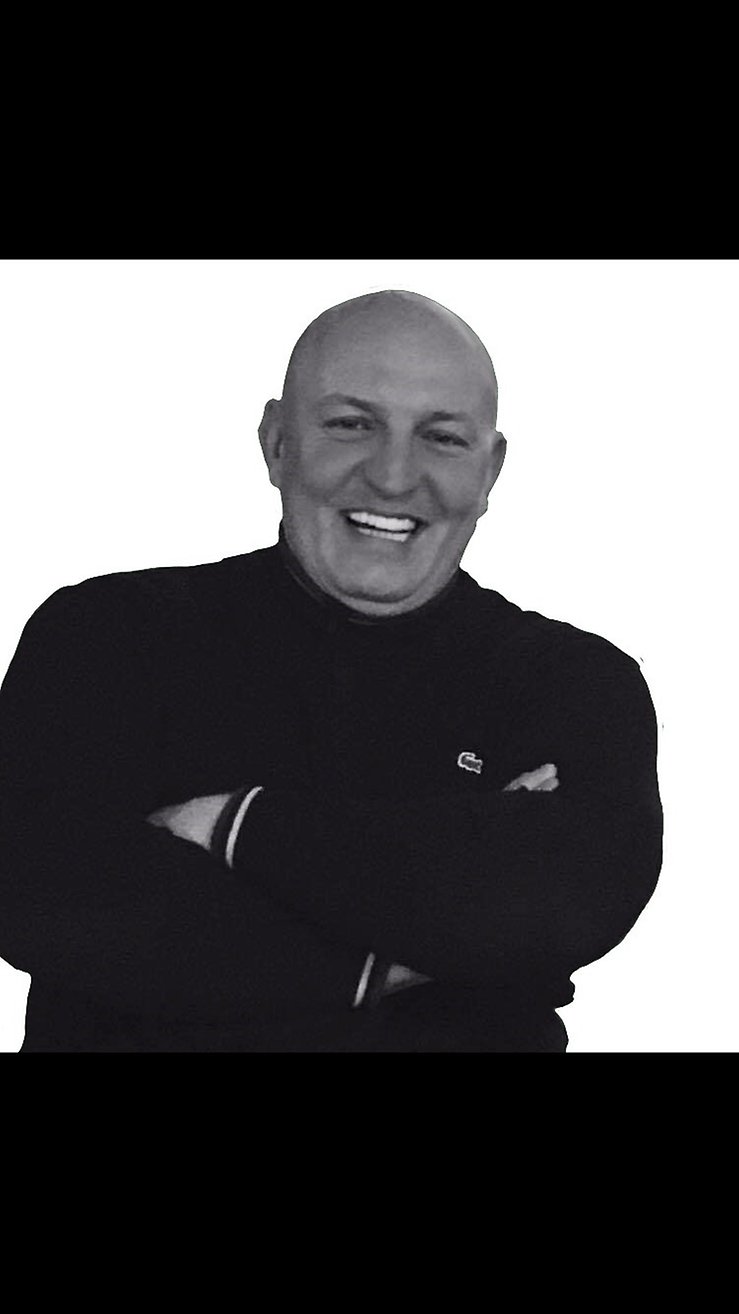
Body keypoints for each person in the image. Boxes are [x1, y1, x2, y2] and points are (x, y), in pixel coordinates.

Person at [0, 289, 663, 1052]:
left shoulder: (574, 685)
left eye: (442, 438)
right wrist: (436, 930)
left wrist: (231, 825)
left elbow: (556, 909)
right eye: (351, 424)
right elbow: (53, 907)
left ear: (490, 471)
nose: (392, 476)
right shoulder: (110, 636)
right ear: (276, 442)